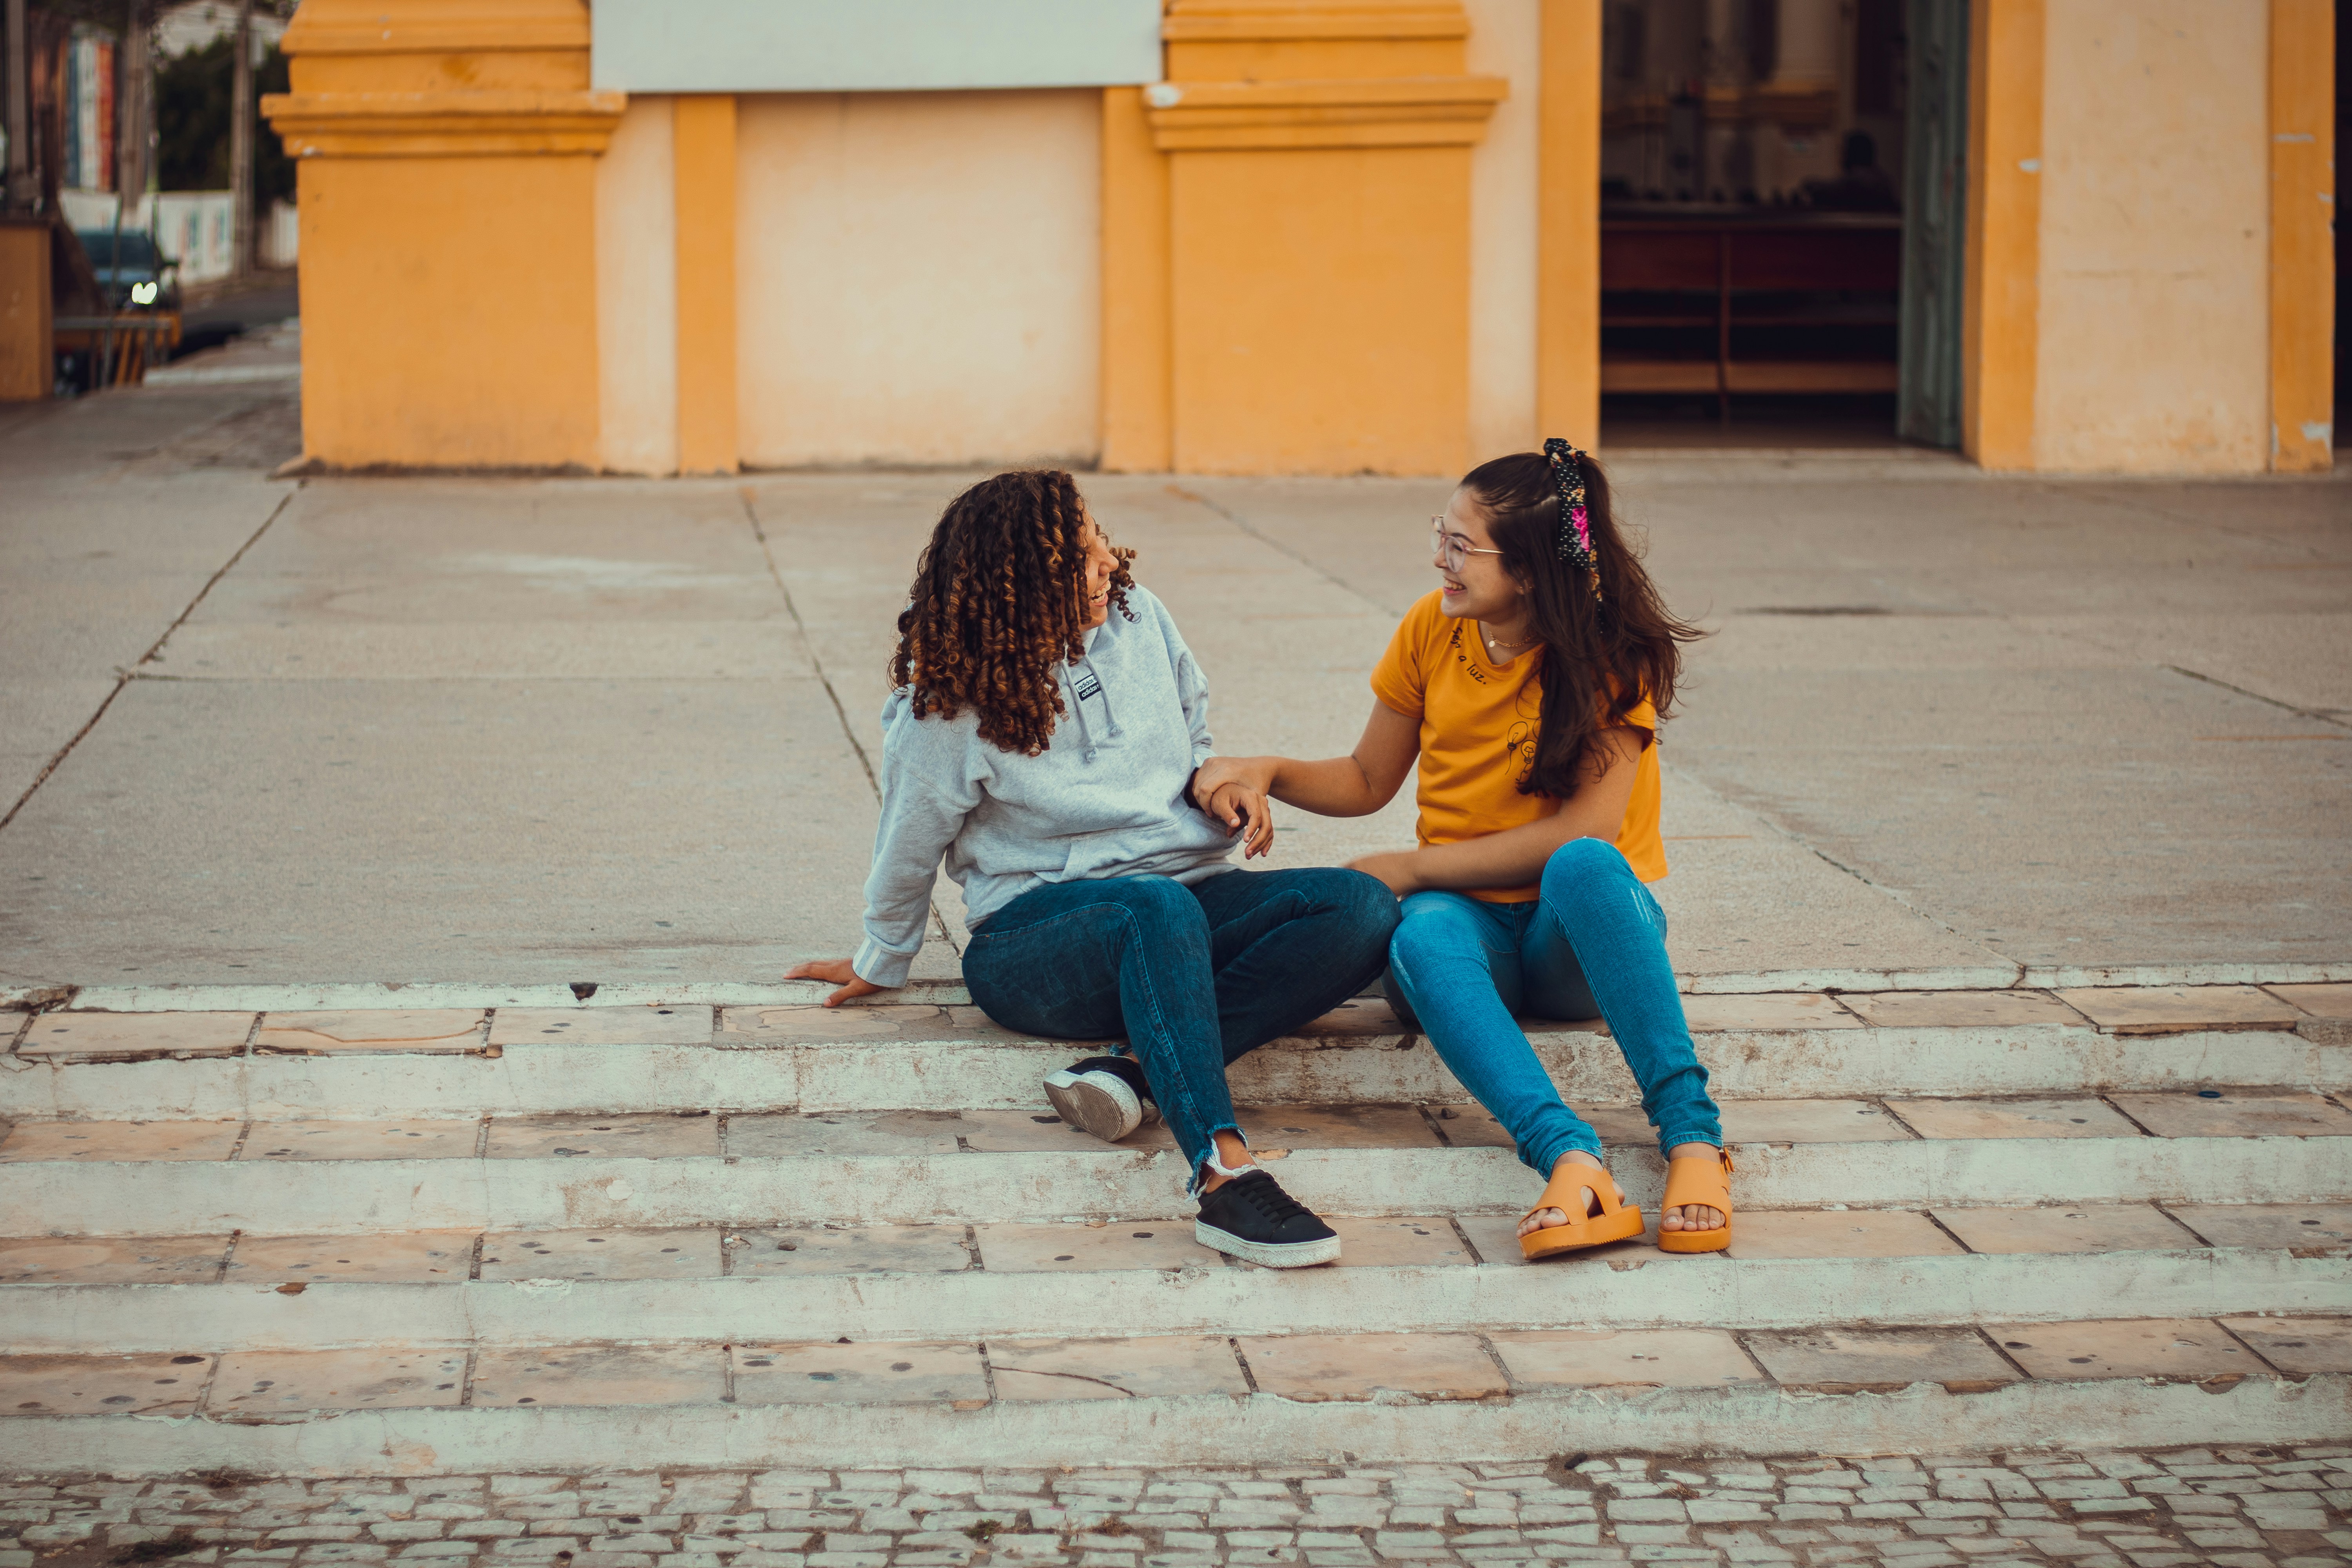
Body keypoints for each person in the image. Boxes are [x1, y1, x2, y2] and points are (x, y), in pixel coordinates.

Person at [789, 470, 1399, 1269]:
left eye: (1097, 538)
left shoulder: (1143, 619)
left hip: (1184, 900)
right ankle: (1223, 1173)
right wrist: (883, 955)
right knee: (1153, 908)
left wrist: (1215, 786)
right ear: (1020, 588)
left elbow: (1192, 733)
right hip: (1037, 942)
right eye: (1077, 557)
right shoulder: (949, 701)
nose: (1106, 561)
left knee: (1361, 906)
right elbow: (910, 836)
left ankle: (1137, 1072)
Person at [1193, 441, 1732, 1259]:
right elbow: (1369, 776)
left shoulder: (1609, 656)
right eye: (1439, 535)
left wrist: (1406, 866)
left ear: (1526, 572)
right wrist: (1267, 768)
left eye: (1459, 547)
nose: (1439, 559)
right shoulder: (1431, 630)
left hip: (1571, 940)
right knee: (1419, 932)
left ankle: (1694, 1139)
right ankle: (1571, 1160)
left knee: (1586, 865)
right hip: (1470, 933)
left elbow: (1579, 832)